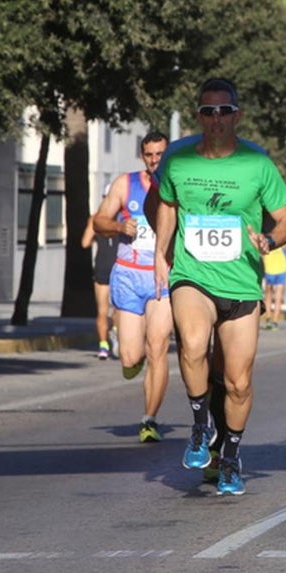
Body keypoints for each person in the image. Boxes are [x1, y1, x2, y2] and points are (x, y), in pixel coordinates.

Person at [153, 78, 286, 496]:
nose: (215, 119)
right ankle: (201, 424)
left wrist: (271, 240)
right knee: (194, 345)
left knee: (238, 382)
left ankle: (231, 454)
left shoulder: (258, 164)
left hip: (241, 282)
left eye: (223, 111)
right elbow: (166, 204)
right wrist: (161, 255)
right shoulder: (179, 160)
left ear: (237, 115)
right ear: (198, 115)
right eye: (207, 111)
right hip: (192, 275)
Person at [92, 132, 173, 443]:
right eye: (149, 154)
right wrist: (118, 226)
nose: (154, 160)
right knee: (130, 358)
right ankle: (129, 354)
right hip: (127, 276)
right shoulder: (126, 184)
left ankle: (149, 418)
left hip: (161, 279)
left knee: (159, 347)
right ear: (143, 156)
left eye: (160, 154)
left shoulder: (178, 185)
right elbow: (99, 220)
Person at [82, 214, 118, 360]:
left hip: (107, 267)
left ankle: (105, 344)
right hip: (116, 268)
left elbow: (85, 242)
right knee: (116, 309)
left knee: (107, 311)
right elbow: (85, 243)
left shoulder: (96, 219)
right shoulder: (124, 217)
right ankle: (110, 336)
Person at [261, 241, 286, 330]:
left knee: (270, 295)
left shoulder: (269, 236)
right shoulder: (285, 238)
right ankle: (273, 321)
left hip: (272, 268)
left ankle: (270, 319)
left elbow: (262, 253)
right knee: (276, 297)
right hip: (277, 268)